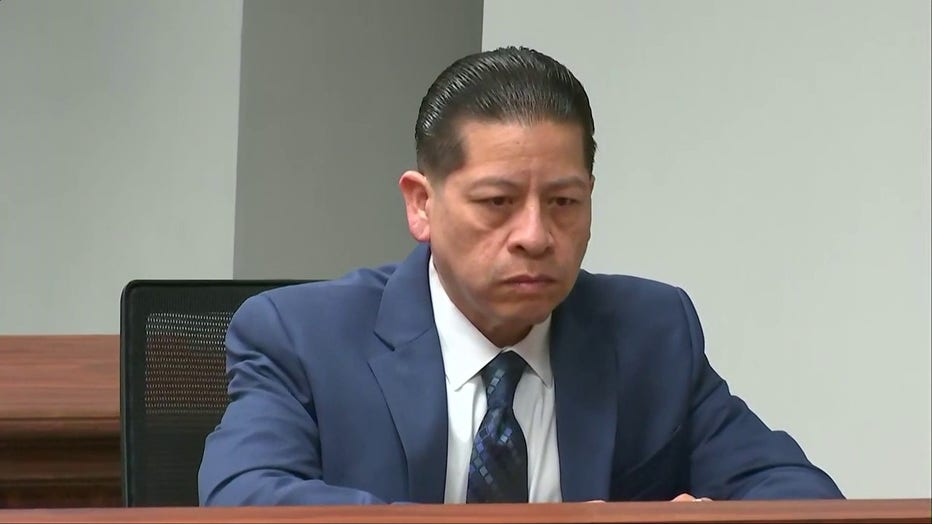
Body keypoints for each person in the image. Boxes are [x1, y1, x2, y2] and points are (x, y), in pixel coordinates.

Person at [198, 46, 843, 505]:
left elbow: (799, 494)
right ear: (422, 204)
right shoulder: (301, 336)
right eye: (497, 203)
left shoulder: (650, 333)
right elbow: (244, 496)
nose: (535, 236)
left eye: (564, 203)